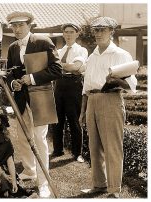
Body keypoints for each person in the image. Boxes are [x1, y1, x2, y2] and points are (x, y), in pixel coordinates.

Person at [79, 17, 137, 198]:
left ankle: (114, 190)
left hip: (111, 100)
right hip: (92, 101)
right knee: (94, 146)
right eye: (96, 30)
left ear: (112, 32)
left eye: (102, 30)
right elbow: (86, 87)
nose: (98, 33)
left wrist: (115, 79)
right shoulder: (92, 55)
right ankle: (99, 185)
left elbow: (130, 86)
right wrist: (83, 111)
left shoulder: (120, 54)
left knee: (112, 147)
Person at [6, 11, 62, 197]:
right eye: (14, 26)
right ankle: (30, 170)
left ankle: (43, 181)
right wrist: (13, 82)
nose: (17, 29)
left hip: (40, 98)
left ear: (29, 25)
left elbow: (56, 69)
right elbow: (11, 72)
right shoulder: (13, 47)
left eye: (21, 25)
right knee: (22, 136)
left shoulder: (43, 41)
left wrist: (33, 78)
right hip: (21, 100)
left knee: (39, 139)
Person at [52, 23, 88, 163]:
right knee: (57, 119)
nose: (68, 34)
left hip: (74, 85)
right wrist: (69, 67)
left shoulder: (81, 50)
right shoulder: (59, 51)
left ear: (77, 34)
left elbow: (76, 67)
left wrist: (61, 66)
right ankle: (57, 150)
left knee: (74, 120)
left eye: (71, 32)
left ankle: (77, 153)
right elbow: (56, 69)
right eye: (66, 32)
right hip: (59, 84)